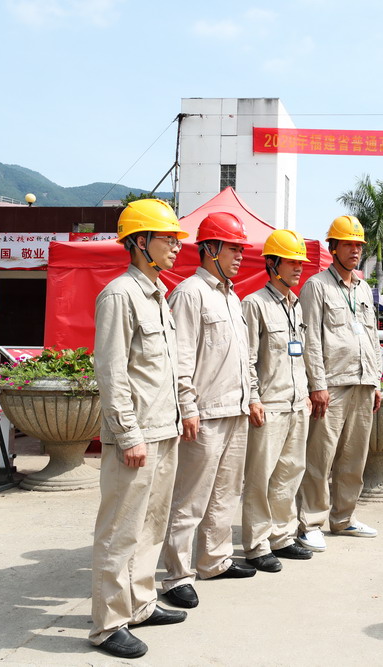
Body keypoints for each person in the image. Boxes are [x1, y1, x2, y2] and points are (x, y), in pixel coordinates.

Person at [90, 198, 189, 659]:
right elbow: (111, 373)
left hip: (163, 431)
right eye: (167, 238)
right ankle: (109, 624)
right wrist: (128, 434)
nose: (175, 246)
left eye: (175, 238)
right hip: (138, 436)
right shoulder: (119, 295)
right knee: (120, 530)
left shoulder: (159, 295)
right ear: (139, 242)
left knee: (151, 526)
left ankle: (142, 602)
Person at [160, 212, 256, 610]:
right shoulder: (189, 294)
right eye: (233, 248)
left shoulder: (231, 296)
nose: (239, 256)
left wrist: (251, 396)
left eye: (240, 248)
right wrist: (187, 406)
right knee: (191, 497)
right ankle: (176, 575)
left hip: (235, 410)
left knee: (226, 492)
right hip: (205, 412)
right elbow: (180, 358)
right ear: (211, 249)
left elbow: (244, 356)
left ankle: (214, 559)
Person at [296, 215, 382, 552]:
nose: (355, 250)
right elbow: (310, 340)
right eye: (348, 243)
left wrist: (375, 381)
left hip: (363, 383)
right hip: (331, 385)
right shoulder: (316, 286)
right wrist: (317, 384)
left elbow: (372, 338)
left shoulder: (363, 287)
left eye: (359, 245)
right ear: (333, 247)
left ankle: (344, 517)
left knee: (354, 457)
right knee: (320, 456)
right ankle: (311, 522)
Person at [240, 229, 315, 573]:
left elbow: (299, 355)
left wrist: (307, 393)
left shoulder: (295, 305)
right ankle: (256, 544)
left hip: (296, 402)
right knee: (260, 475)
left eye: (300, 262)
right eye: (290, 261)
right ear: (271, 264)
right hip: (268, 404)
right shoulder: (254, 305)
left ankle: (281, 536)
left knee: (290, 471)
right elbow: (249, 359)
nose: (298, 268)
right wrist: (253, 397)